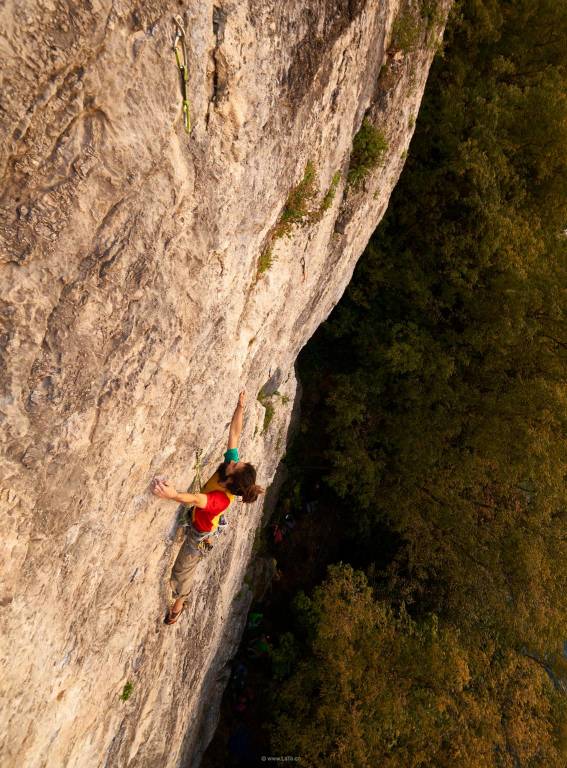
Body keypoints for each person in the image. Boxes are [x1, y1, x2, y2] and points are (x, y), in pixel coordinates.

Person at [151, 391, 264, 624]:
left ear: (231, 481)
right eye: (236, 460)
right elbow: (235, 433)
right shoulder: (228, 469)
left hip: (200, 534)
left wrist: (171, 494)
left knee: (180, 573)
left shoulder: (221, 499)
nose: (233, 459)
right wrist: (240, 407)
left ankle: (180, 603)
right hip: (202, 518)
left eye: (235, 464)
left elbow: (195, 500)